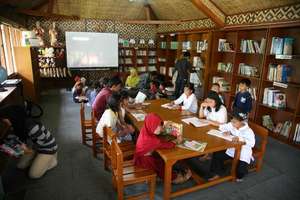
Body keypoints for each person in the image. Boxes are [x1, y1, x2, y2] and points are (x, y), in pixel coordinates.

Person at [0, 105, 58, 179]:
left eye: (5, 119)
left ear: (13, 117)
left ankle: (52, 160)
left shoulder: (31, 126)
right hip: (35, 146)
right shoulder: (18, 124)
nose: (4, 121)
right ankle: (39, 160)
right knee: (20, 166)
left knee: (33, 175)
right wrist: (16, 149)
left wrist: (27, 150)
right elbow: (24, 140)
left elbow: (43, 141)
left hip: (48, 148)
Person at [134, 113, 192, 184]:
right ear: (151, 126)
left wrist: (164, 128)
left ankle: (160, 176)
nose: (161, 128)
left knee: (161, 160)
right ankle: (172, 178)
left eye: (161, 125)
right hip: (146, 162)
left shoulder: (146, 130)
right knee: (163, 167)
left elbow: (158, 139)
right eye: (158, 126)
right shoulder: (152, 141)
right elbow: (169, 145)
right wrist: (177, 141)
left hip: (142, 157)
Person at [208, 108, 255, 182]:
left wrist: (240, 139)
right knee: (217, 154)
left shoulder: (248, 131)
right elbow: (222, 127)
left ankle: (242, 172)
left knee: (239, 173)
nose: (232, 124)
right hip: (231, 149)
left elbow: (252, 143)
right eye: (232, 121)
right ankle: (217, 173)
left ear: (242, 122)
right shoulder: (232, 124)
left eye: (235, 122)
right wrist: (227, 131)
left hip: (243, 152)